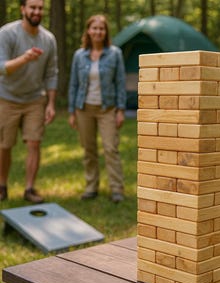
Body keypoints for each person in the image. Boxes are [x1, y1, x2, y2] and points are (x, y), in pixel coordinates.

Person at [0, 0, 58, 203]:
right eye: (32, 7)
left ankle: (29, 189)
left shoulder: (48, 39)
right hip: (7, 97)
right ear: (23, 9)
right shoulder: (7, 33)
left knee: (34, 142)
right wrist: (24, 58)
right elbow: (1, 67)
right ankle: (2, 185)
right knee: (4, 145)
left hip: (35, 99)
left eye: (40, 8)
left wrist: (51, 103)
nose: (36, 11)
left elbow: (51, 73)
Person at [68, 14, 126, 203]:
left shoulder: (115, 53)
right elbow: (74, 84)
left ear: (106, 32)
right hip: (84, 109)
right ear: (88, 31)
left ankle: (117, 189)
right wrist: (72, 111)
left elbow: (120, 82)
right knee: (89, 149)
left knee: (110, 148)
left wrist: (120, 110)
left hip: (107, 109)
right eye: (94, 28)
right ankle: (91, 186)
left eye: (101, 29)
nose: (98, 32)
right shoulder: (79, 55)